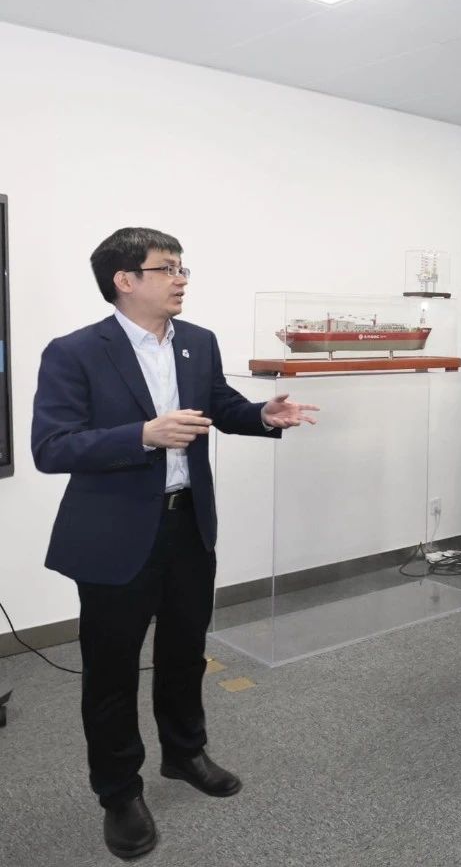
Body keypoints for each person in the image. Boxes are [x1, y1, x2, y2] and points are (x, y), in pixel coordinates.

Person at [32, 228, 317, 860]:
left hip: (188, 523)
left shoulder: (197, 342)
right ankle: (118, 792)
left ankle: (184, 753)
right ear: (124, 280)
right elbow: (51, 448)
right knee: (111, 672)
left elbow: (219, 406)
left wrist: (261, 415)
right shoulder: (75, 352)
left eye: (183, 267)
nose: (181, 278)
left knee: (186, 652)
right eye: (167, 268)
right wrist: (142, 434)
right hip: (114, 536)